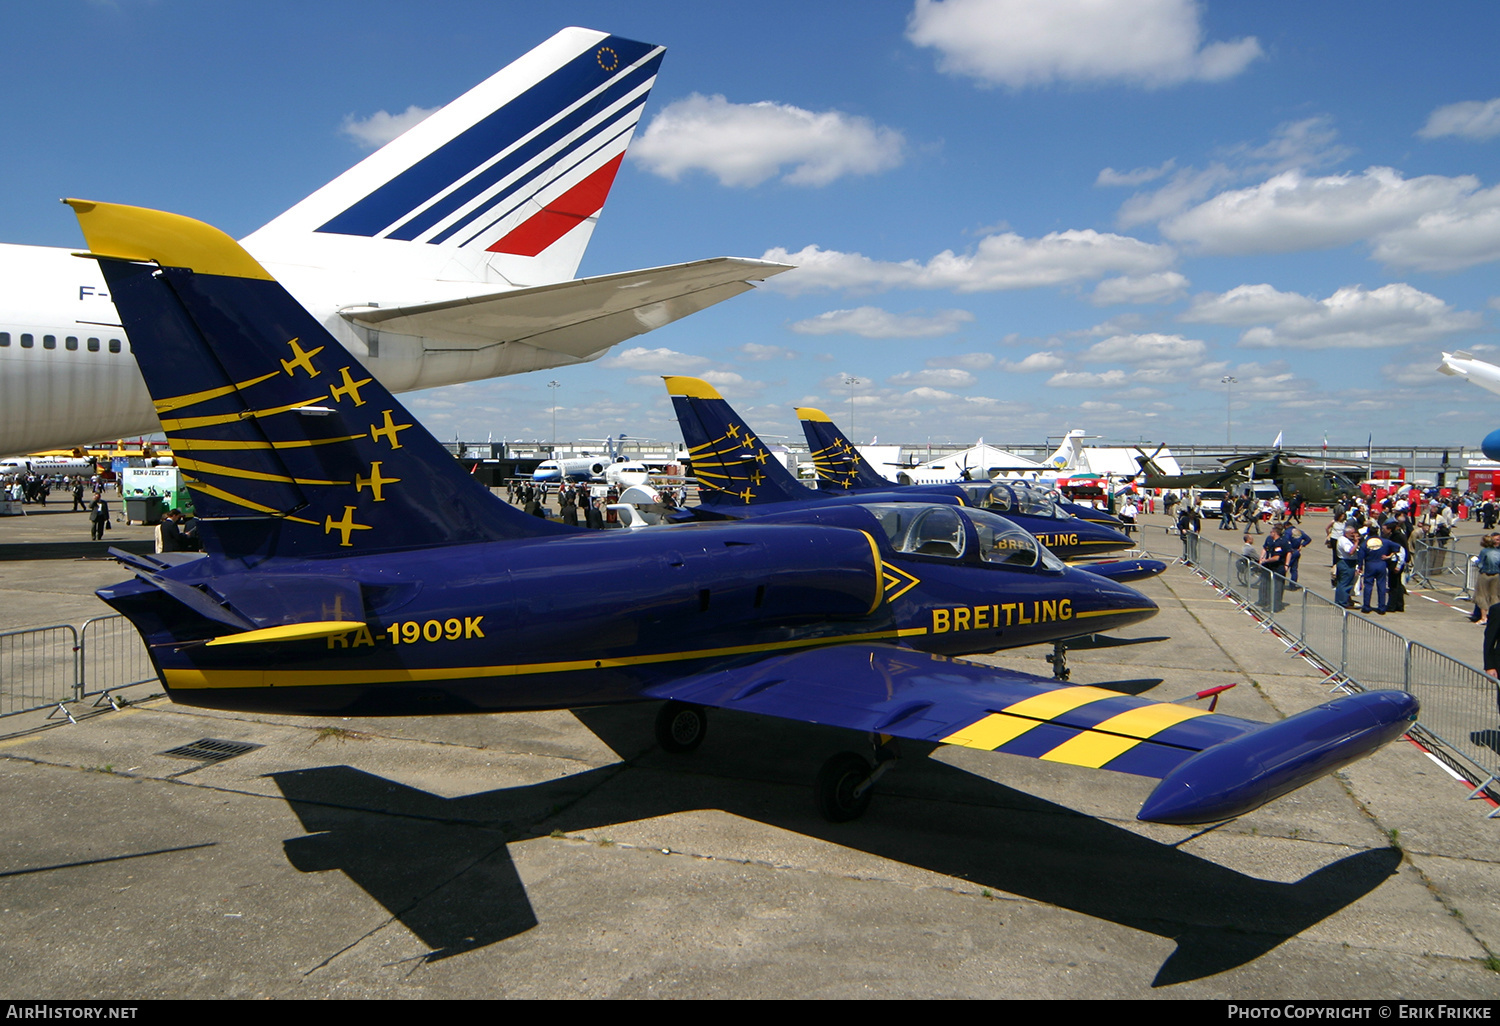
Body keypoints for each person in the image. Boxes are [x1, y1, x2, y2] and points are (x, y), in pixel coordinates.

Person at [1360, 530, 1395, 615]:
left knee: (1368, 586)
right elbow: (1398, 547)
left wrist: (1360, 566)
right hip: (1381, 564)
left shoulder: (1365, 543)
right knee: (1381, 586)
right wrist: (1388, 556)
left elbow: (1361, 556)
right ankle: (1381, 607)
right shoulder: (1385, 542)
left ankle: (1366, 606)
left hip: (1370, 565)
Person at [1260, 524, 1291, 611]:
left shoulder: (1282, 542)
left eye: (1271, 532)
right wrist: (1261, 558)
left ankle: (1275, 606)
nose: (1270, 533)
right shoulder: (1270, 539)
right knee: (1267, 585)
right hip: (1270, 566)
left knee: (1277, 588)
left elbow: (1279, 557)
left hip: (1278, 566)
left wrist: (1286, 564)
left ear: (1275, 533)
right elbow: (1265, 548)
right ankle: (1266, 601)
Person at [1334, 525, 1360, 608]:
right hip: (1346, 562)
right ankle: (1342, 602)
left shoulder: (1346, 540)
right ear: (1346, 533)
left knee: (1343, 583)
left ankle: (1341, 600)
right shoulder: (1344, 541)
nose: (1354, 535)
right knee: (1345, 583)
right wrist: (1356, 543)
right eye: (1352, 533)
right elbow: (1350, 551)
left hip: (1348, 562)